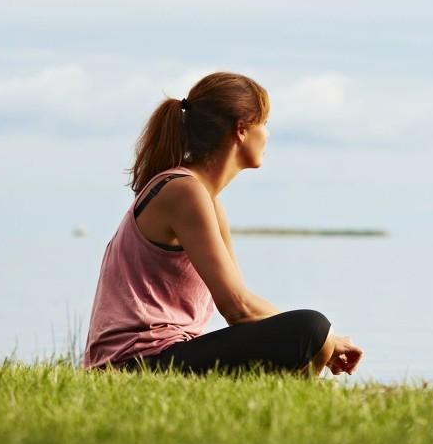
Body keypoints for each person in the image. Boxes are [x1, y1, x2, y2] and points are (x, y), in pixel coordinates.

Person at [81, 71, 364, 378]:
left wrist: (324, 341)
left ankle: (290, 400)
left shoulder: (206, 198)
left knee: (314, 334)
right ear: (241, 130)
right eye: (264, 124)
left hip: (166, 354)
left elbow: (238, 304)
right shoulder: (183, 191)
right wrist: (327, 338)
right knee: (312, 328)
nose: (268, 135)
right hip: (134, 365)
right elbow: (238, 307)